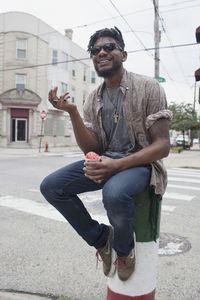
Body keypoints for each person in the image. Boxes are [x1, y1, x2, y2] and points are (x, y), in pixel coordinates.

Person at [40, 26, 172, 281]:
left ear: (123, 54)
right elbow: (94, 150)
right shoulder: (93, 98)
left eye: (109, 47)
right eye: (95, 50)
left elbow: (163, 146)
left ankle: (124, 250)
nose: (102, 52)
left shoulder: (149, 87)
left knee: (114, 193)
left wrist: (117, 165)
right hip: (106, 159)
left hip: (140, 163)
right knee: (52, 186)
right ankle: (101, 239)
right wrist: (73, 113)